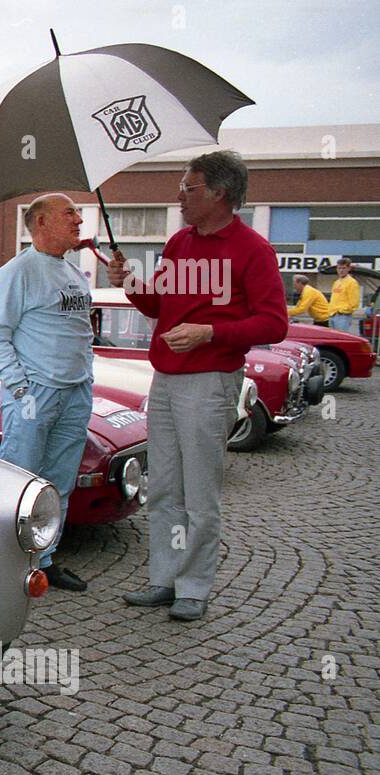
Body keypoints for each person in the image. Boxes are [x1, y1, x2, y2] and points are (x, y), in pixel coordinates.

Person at [109, 150, 288, 622]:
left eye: (188, 188)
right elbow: (157, 306)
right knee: (164, 486)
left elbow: (274, 323)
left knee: (200, 492)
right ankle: (164, 580)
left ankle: (194, 586)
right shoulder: (178, 243)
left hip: (210, 381)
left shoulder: (253, 250)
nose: (180, 196)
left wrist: (211, 332)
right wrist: (129, 281)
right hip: (166, 379)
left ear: (219, 193)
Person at [0, 194, 94, 592]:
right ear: (41, 223)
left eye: (78, 213)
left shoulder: (75, 273)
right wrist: (22, 387)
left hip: (75, 392)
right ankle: (8, 565)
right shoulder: (17, 273)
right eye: (69, 214)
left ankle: (45, 559)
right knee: (18, 482)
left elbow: (81, 333)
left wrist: (84, 378)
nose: (79, 220)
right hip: (35, 394)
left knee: (59, 483)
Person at [328, 257, 360, 332]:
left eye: (344, 268)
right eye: (339, 268)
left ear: (348, 269)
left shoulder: (352, 282)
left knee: (340, 338)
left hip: (343, 316)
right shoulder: (336, 282)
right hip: (332, 314)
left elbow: (354, 302)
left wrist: (343, 310)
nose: (341, 270)